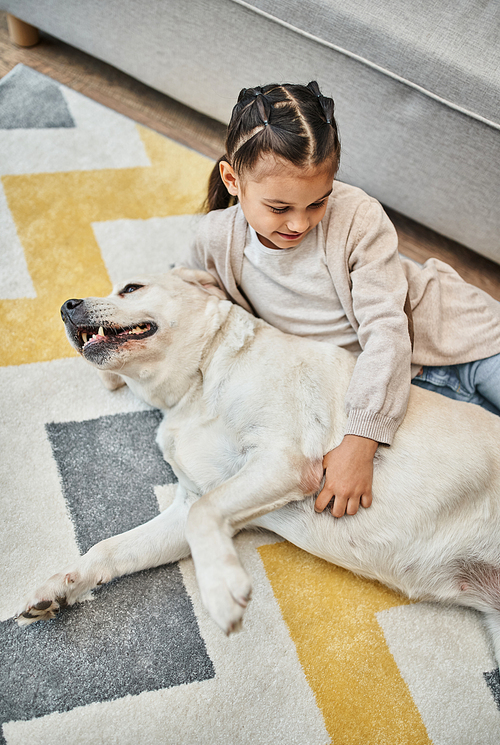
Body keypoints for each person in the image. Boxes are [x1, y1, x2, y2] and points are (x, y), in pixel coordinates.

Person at [188, 81, 500, 518]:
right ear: (232, 180)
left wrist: (360, 441)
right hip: (407, 393)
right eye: (279, 208)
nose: (300, 223)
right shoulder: (215, 240)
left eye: (318, 203)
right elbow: (201, 305)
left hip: (464, 341)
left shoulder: (359, 217)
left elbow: (388, 331)